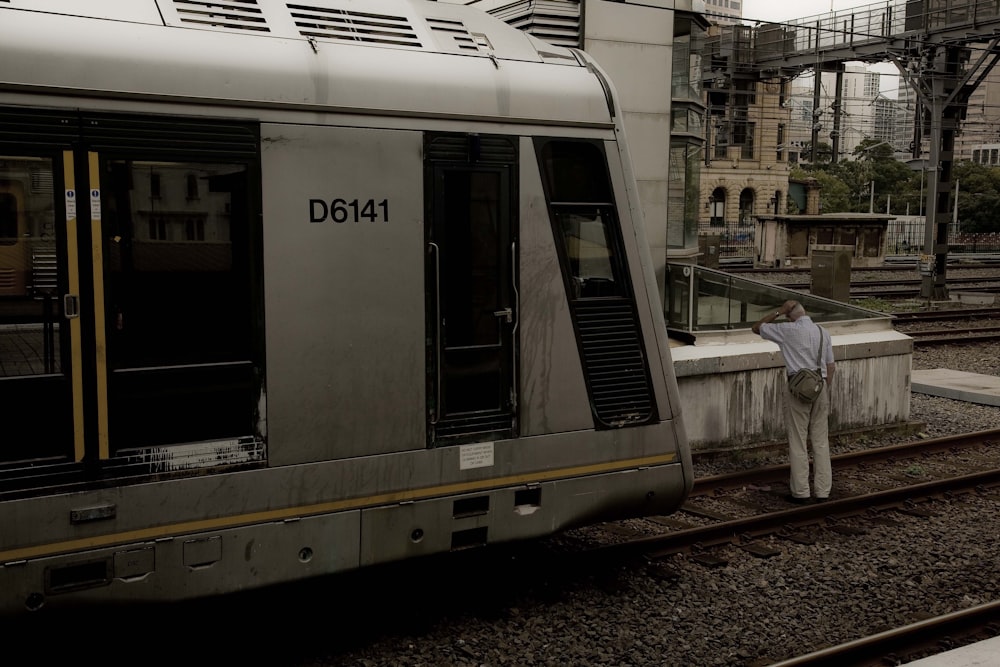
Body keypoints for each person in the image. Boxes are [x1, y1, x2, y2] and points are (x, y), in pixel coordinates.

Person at [752, 299, 835, 504]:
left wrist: (778, 312)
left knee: (798, 440)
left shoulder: (787, 331)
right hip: (820, 386)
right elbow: (831, 366)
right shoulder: (823, 332)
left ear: (790, 315)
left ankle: (801, 492)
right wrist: (824, 388)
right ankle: (823, 491)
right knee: (820, 441)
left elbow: (757, 327)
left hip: (797, 389)